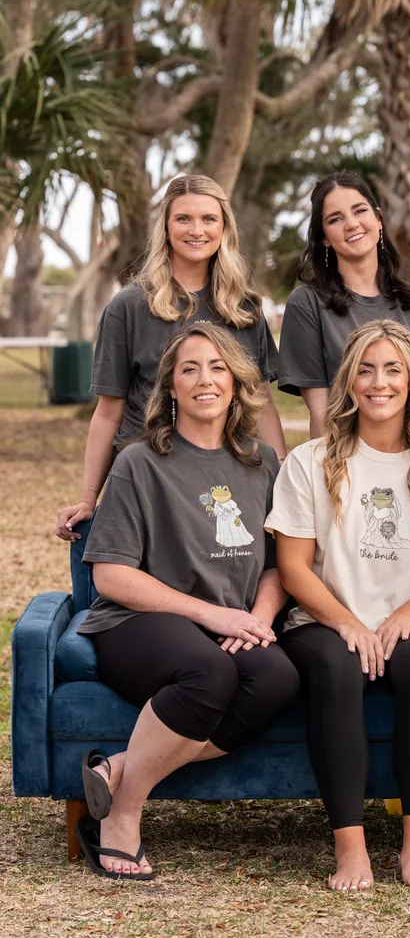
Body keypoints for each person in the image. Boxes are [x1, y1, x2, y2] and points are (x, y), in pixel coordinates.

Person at [74, 323, 299, 880]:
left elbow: (279, 565)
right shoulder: (139, 462)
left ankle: (122, 768)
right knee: (209, 672)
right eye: (189, 369)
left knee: (276, 678)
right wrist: (210, 613)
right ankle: (122, 817)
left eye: (218, 367)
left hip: (233, 622)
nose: (205, 380)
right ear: (169, 386)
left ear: (237, 382)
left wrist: (260, 620)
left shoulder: (262, 461)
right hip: (137, 622)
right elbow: (111, 577)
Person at [267, 320, 410, 892]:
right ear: (349, 382)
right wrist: (347, 622)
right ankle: (350, 847)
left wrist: (407, 615)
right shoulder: (310, 461)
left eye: (393, 370)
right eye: (366, 370)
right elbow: (294, 568)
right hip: (325, 620)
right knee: (333, 668)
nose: (379, 383)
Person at [56, 173, 286, 542]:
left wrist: (283, 481)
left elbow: (261, 403)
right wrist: (88, 498)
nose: (197, 230)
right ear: (165, 227)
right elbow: (107, 413)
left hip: (228, 477)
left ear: (224, 228)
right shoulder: (128, 306)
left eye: (209, 219)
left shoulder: (244, 309)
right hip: (151, 477)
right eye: (183, 219)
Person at [278, 171, 410, 449]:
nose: (351, 224)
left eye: (359, 211)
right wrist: (333, 483)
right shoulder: (308, 305)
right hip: (350, 468)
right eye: (335, 219)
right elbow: (322, 414)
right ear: (324, 237)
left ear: (378, 219)